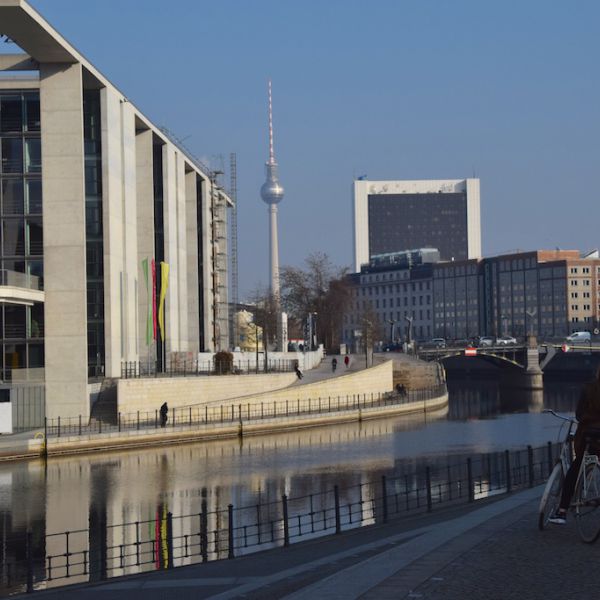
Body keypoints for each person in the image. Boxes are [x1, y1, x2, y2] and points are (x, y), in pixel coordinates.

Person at [549, 367, 600, 524]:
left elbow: (579, 414)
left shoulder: (589, 388)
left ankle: (562, 511)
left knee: (576, 468)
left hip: (590, 435)